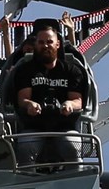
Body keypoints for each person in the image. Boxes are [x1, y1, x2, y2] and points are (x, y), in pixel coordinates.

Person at [11, 21, 88, 168]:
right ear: (36, 45)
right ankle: (26, 177)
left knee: (72, 146)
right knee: (26, 147)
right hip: (34, 127)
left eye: (49, 42)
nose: (45, 46)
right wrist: (30, 105)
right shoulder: (25, 70)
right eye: (41, 42)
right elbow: (22, 99)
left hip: (64, 127)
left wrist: (69, 105)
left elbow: (77, 100)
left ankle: (75, 175)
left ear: (57, 44)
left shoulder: (72, 71)